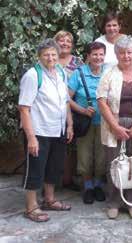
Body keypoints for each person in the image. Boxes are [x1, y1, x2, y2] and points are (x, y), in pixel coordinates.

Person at [97, 35, 132, 219]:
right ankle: (114, 202)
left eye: (129, 52)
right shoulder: (108, 74)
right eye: (122, 52)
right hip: (114, 125)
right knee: (114, 163)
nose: (126, 56)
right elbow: (102, 101)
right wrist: (115, 127)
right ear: (116, 54)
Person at [19, 38, 73, 222]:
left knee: (54, 167)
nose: (50, 58)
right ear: (39, 56)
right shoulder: (33, 75)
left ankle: (49, 200)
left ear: (58, 55)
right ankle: (31, 207)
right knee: (35, 169)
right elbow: (24, 109)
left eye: (53, 54)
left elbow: (65, 100)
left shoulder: (61, 72)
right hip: (39, 130)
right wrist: (31, 138)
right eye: (46, 54)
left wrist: (70, 124)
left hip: (58, 129)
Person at [68, 42, 107, 204]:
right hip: (85, 122)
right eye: (94, 54)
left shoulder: (110, 72)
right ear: (88, 56)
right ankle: (88, 186)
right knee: (85, 157)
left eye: (101, 54)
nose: (98, 57)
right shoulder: (79, 73)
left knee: (101, 157)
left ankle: (98, 185)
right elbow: (67, 98)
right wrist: (82, 110)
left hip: (105, 122)